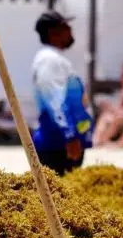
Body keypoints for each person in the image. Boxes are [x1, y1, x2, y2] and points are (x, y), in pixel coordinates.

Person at [29, 11, 94, 175]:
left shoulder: (54, 59)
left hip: (62, 142)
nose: (70, 29)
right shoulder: (50, 60)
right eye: (65, 26)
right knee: (60, 194)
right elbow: (55, 101)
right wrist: (70, 136)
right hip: (57, 144)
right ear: (53, 33)